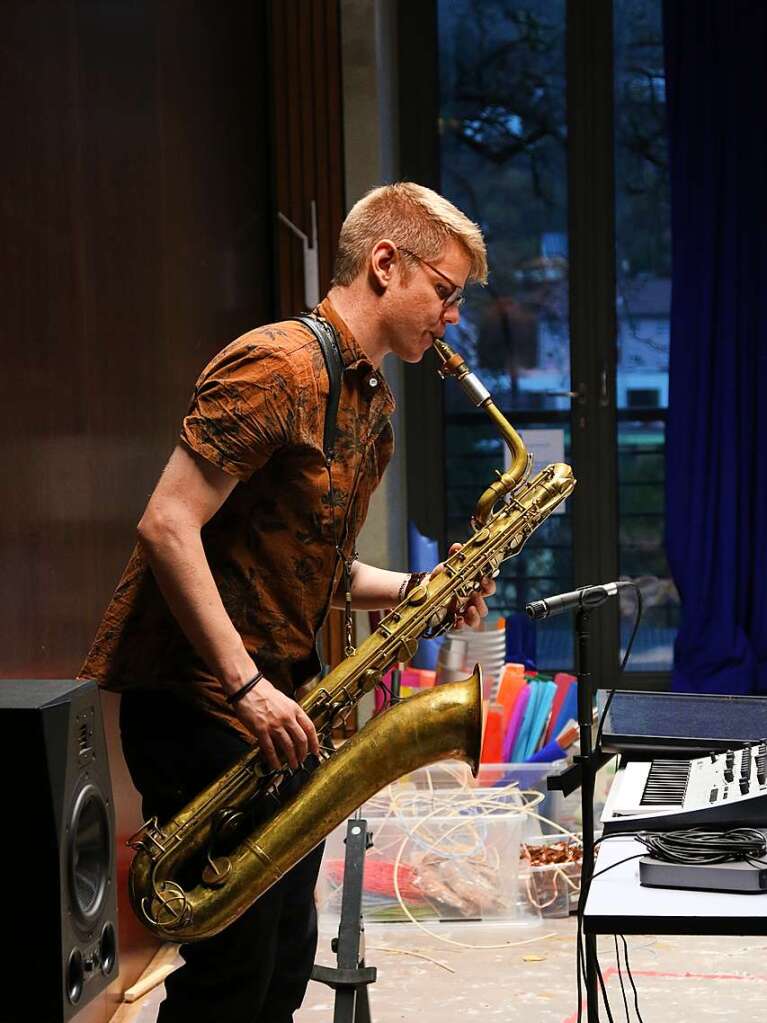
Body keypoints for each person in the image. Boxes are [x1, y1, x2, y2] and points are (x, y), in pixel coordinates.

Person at [81, 182, 493, 1023]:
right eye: (444, 292)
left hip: (284, 701)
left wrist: (422, 591)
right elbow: (166, 524)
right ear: (385, 263)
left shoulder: (367, 400)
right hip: (206, 700)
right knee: (228, 973)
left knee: (278, 961)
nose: (449, 320)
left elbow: (318, 568)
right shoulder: (278, 363)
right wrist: (246, 685)